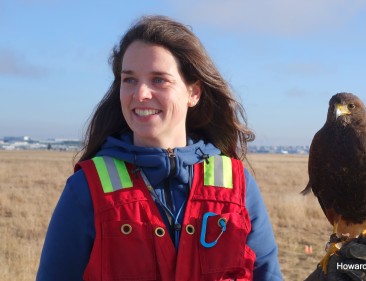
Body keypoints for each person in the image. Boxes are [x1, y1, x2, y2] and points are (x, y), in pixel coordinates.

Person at [36, 15, 282, 281]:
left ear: (193, 93)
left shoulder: (236, 184)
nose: (140, 94)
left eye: (159, 80)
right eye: (129, 80)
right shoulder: (87, 188)